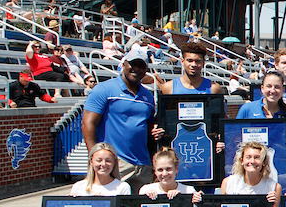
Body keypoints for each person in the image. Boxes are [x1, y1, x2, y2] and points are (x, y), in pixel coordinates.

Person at [81, 46, 164, 192]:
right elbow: (88, 124)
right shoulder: (104, 90)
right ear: (124, 63)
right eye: (133, 64)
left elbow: (149, 128)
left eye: (141, 65)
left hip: (143, 163)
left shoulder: (148, 96)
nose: (136, 69)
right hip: (116, 162)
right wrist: (94, 157)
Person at [160, 41, 224, 95]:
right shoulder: (168, 88)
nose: (193, 64)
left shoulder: (214, 89)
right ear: (182, 61)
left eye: (197, 61)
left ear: (203, 63)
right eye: (189, 61)